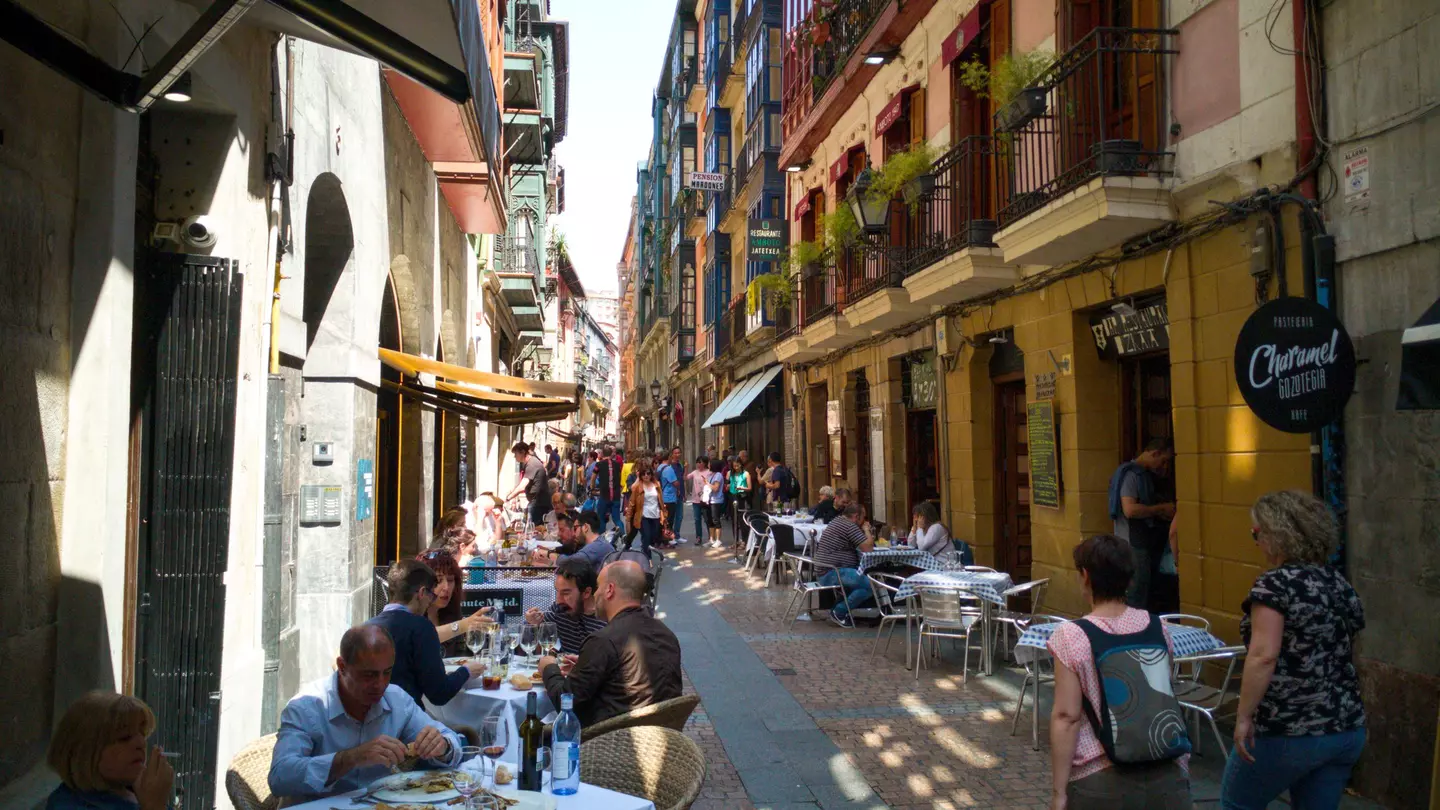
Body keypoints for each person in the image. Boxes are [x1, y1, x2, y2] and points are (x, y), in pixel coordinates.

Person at [1220, 491, 1366, 810]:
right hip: (1344, 727)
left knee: (1236, 805)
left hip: (1287, 727)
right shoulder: (1339, 583)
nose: (1256, 542)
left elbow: (1263, 655)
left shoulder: (1274, 585)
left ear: (1276, 536)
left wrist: (1243, 717)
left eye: (1256, 533)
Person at [1046, 534, 1190, 809]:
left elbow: (1067, 717)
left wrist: (1059, 792)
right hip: (1166, 769)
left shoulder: (1071, 635)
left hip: (1101, 777)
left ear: (1085, 576)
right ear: (1129, 578)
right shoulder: (1157, 626)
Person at [269, 625, 463, 802]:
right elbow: (279, 777)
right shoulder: (306, 707)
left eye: (387, 672)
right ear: (342, 667)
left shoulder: (396, 699)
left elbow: (451, 740)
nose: (380, 684)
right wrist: (350, 758)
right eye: (369, 675)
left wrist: (442, 746)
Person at [536, 561, 682, 727]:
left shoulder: (603, 641)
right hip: (663, 734)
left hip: (611, 737)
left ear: (609, 590)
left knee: (531, 729)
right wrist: (585, 667)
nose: (595, 594)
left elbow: (565, 702)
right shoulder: (667, 634)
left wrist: (549, 668)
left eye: (598, 587)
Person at [367, 560, 486, 706]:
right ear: (422, 593)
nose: (430, 601)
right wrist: (466, 671)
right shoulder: (421, 627)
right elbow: (439, 694)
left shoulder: (367, 627)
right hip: (406, 715)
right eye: (431, 595)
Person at [45, 691, 175, 810]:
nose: (141, 743)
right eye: (125, 737)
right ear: (85, 753)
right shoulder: (67, 805)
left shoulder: (138, 792)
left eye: (142, 733)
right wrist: (153, 806)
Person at [1106, 438, 1176, 609]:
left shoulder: (1144, 475)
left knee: (1142, 592)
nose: (1165, 467)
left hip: (1140, 543)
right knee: (1136, 594)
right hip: (1133, 544)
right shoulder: (1132, 475)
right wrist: (1160, 509)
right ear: (1155, 453)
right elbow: (1130, 510)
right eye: (1163, 461)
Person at [524, 557, 609, 653]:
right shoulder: (560, 610)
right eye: (557, 591)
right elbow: (533, 644)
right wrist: (533, 624)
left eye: (565, 593)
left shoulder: (606, 620)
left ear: (586, 592)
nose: (558, 600)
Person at [416, 549, 493, 654]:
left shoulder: (451, 613)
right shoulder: (410, 615)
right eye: (438, 581)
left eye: (450, 580)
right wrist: (462, 625)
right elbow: (420, 637)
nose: (446, 587)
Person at [812, 503, 875, 627]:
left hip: (827, 570)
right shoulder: (849, 525)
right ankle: (839, 612)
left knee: (862, 583)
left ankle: (839, 610)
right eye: (863, 517)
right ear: (856, 516)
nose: (864, 521)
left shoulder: (838, 521)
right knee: (869, 585)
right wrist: (867, 530)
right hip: (831, 572)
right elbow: (868, 548)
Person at [624, 461, 669, 557]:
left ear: (651, 474)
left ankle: (643, 548)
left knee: (653, 537)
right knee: (646, 536)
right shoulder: (638, 486)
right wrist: (628, 518)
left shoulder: (657, 485)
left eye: (648, 473)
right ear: (640, 475)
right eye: (643, 474)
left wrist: (664, 514)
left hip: (655, 515)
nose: (646, 476)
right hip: (643, 516)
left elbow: (660, 501)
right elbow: (632, 502)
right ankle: (647, 558)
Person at [505, 441, 550, 528]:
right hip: (537, 502)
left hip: (538, 503)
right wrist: (512, 492)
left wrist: (508, 498)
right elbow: (523, 484)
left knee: (532, 528)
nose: (514, 457)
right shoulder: (530, 463)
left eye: (516, 454)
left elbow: (523, 485)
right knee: (533, 527)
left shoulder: (531, 464)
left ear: (522, 452)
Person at [590, 445, 625, 534]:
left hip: (604, 495)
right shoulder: (617, 465)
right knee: (617, 519)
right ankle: (623, 535)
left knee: (601, 517)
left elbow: (593, 478)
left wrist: (592, 488)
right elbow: (619, 477)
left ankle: (601, 536)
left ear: (602, 454)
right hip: (616, 495)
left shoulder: (599, 464)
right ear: (611, 454)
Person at [659, 446, 685, 545]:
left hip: (667, 495)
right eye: (675, 453)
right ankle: (669, 538)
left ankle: (670, 536)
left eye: (679, 452)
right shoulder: (668, 469)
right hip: (669, 497)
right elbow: (676, 482)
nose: (677, 455)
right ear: (670, 456)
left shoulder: (660, 467)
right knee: (669, 519)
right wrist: (678, 487)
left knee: (670, 517)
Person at [727, 456, 752, 538]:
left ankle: (744, 540)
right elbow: (727, 485)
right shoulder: (730, 473)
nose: (736, 468)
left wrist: (742, 488)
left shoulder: (746, 474)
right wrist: (727, 486)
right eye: (734, 466)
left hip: (742, 496)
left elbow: (749, 488)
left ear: (741, 464)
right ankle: (735, 540)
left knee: (742, 518)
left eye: (738, 465)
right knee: (734, 519)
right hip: (732, 496)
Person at [687, 457, 711, 542]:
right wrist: (686, 468)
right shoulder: (695, 472)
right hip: (696, 499)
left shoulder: (709, 472)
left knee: (707, 519)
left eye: (700, 462)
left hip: (705, 499)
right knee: (697, 519)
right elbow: (686, 478)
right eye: (697, 462)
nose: (698, 464)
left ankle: (711, 537)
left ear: (705, 463)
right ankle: (698, 537)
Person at [706, 458, 728, 549]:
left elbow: (715, 488)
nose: (708, 465)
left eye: (709, 463)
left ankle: (718, 540)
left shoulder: (718, 475)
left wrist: (706, 483)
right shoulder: (711, 474)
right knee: (710, 520)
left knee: (716, 520)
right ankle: (712, 539)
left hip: (716, 500)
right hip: (710, 500)